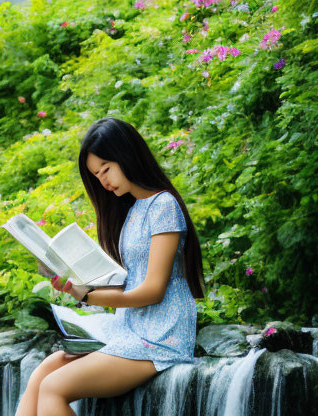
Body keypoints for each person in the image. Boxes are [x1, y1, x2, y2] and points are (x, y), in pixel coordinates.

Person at [14, 117, 205, 416]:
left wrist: (86, 295)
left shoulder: (164, 206)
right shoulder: (132, 211)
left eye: (106, 169)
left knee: (54, 388)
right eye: (96, 174)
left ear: (126, 156)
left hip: (161, 334)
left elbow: (153, 291)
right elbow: (128, 281)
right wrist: (78, 281)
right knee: (43, 374)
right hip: (130, 326)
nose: (103, 180)